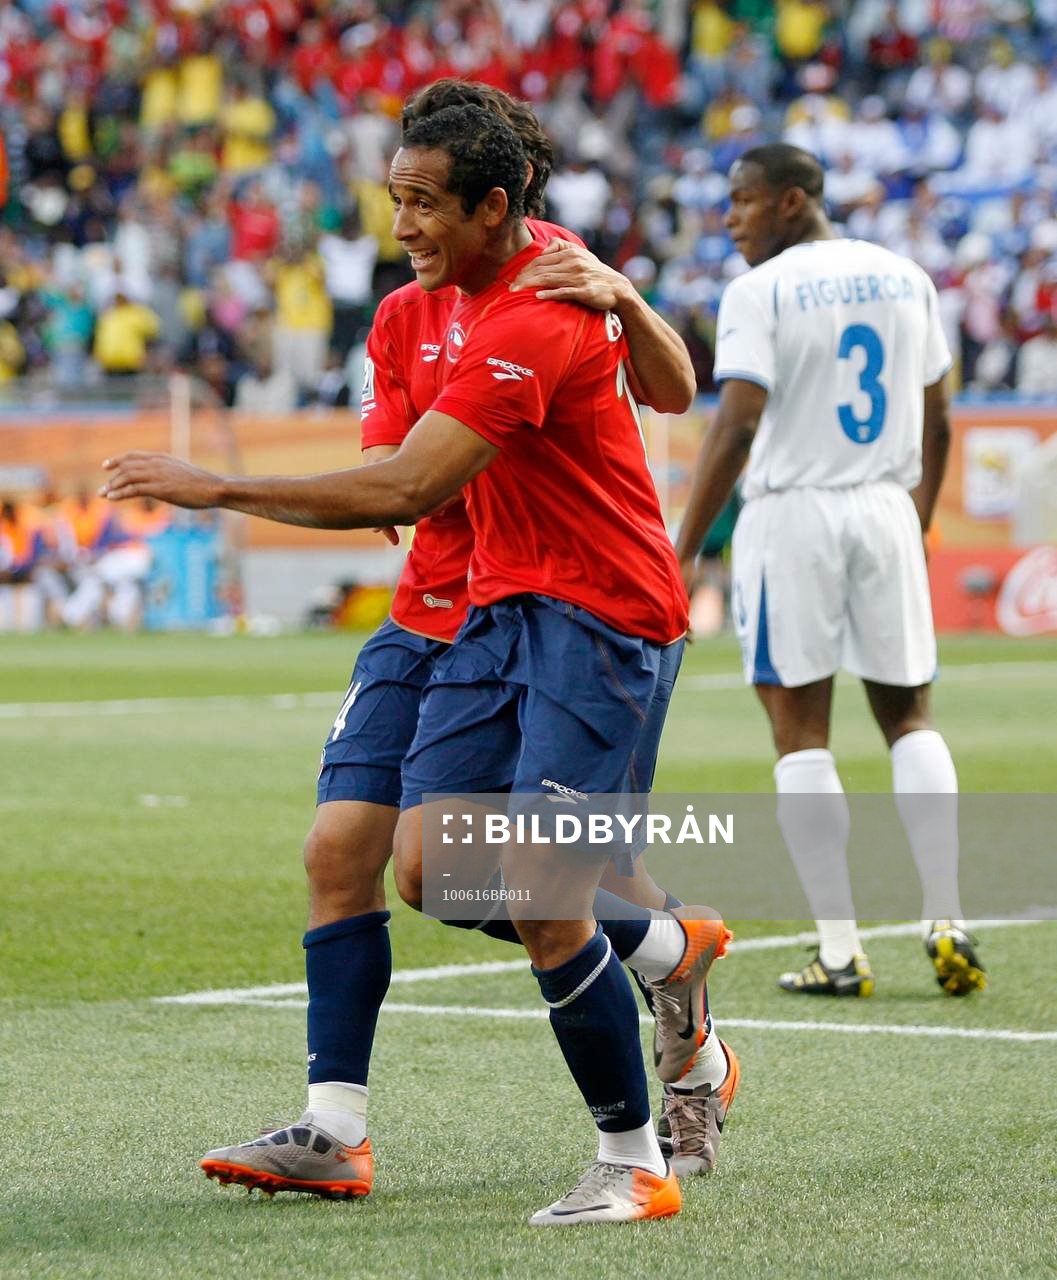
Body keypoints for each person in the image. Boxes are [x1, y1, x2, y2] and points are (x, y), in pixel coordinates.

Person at [103, 99, 738, 1223]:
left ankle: (632, 1155)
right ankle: (660, 943)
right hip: (474, 604)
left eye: (421, 201)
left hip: (594, 612)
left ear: (495, 205)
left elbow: (411, 482)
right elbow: (398, 482)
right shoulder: (404, 318)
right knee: (422, 870)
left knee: (545, 888)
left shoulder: (546, 298)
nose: (398, 222)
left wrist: (217, 488)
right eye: (394, 198)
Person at [674, 143, 984, 1000]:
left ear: (791, 200)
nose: (728, 218)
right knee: (910, 718)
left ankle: (841, 952)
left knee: (798, 732)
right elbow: (942, 419)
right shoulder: (904, 276)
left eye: (740, 200)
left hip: (792, 515)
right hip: (885, 507)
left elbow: (734, 428)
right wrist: (911, 524)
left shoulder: (758, 291)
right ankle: (948, 916)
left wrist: (684, 546)